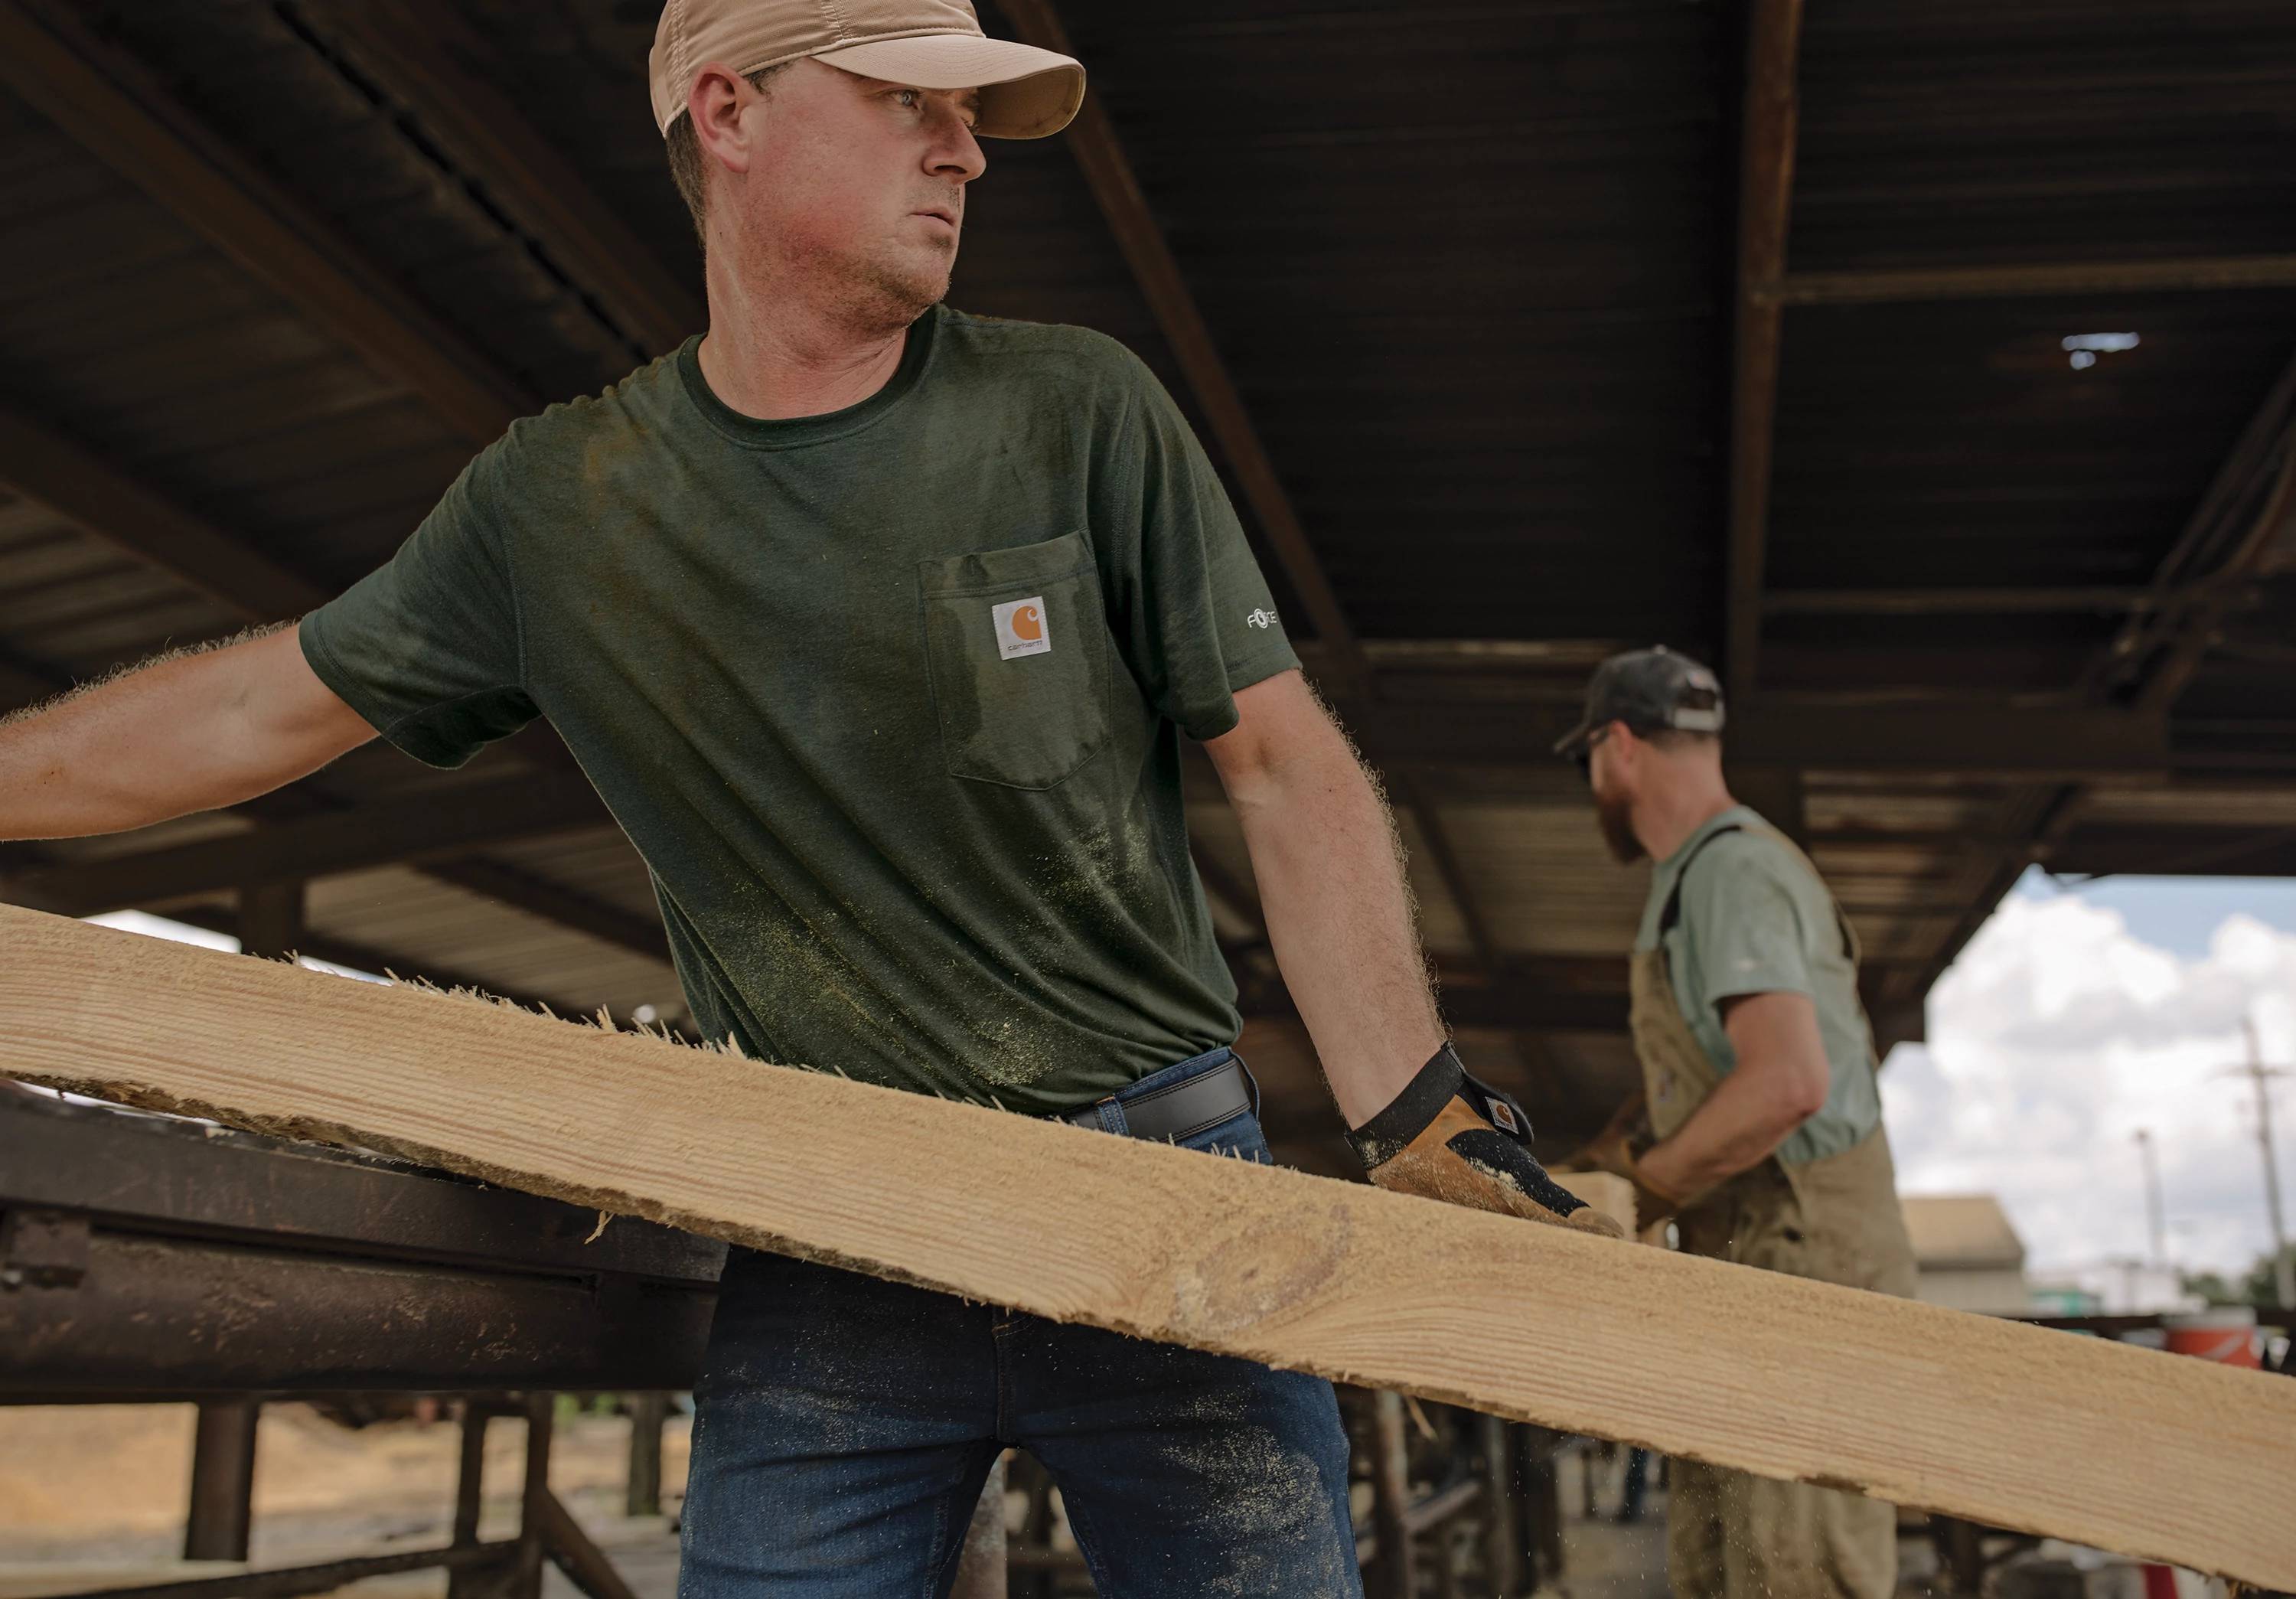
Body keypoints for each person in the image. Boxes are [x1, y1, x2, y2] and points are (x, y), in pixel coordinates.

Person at [0, 1, 1619, 1591]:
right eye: (912, 102)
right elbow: (244, 710)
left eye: (970, 115)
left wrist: (1419, 1113)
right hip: (832, 1235)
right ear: (728, 113)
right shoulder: (561, 508)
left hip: (1169, 1198)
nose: (967, 154)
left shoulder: (1076, 410)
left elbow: (1283, 760)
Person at [1557, 647, 1917, 1599]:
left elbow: (1788, 1083)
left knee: (1795, 1564)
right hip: (1748, 1248)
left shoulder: (1732, 871)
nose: (1592, 781)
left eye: (1588, 758)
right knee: (1726, 1558)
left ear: (1619, 747)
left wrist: (1635, 1194)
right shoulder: (1700, 880)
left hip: (1802, 1251)